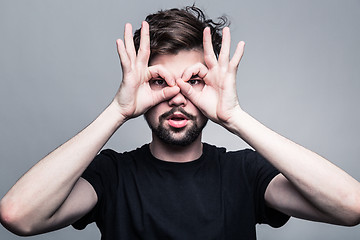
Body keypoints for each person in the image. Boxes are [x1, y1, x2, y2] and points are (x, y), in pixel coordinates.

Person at [0, 5, 360, 240]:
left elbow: (351, 207)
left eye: (193, 81)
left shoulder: (244, 173)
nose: (176, 96)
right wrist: (118, 110)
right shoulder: (112, 176)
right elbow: (18, 216)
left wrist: (235, 117)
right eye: (159, 82)